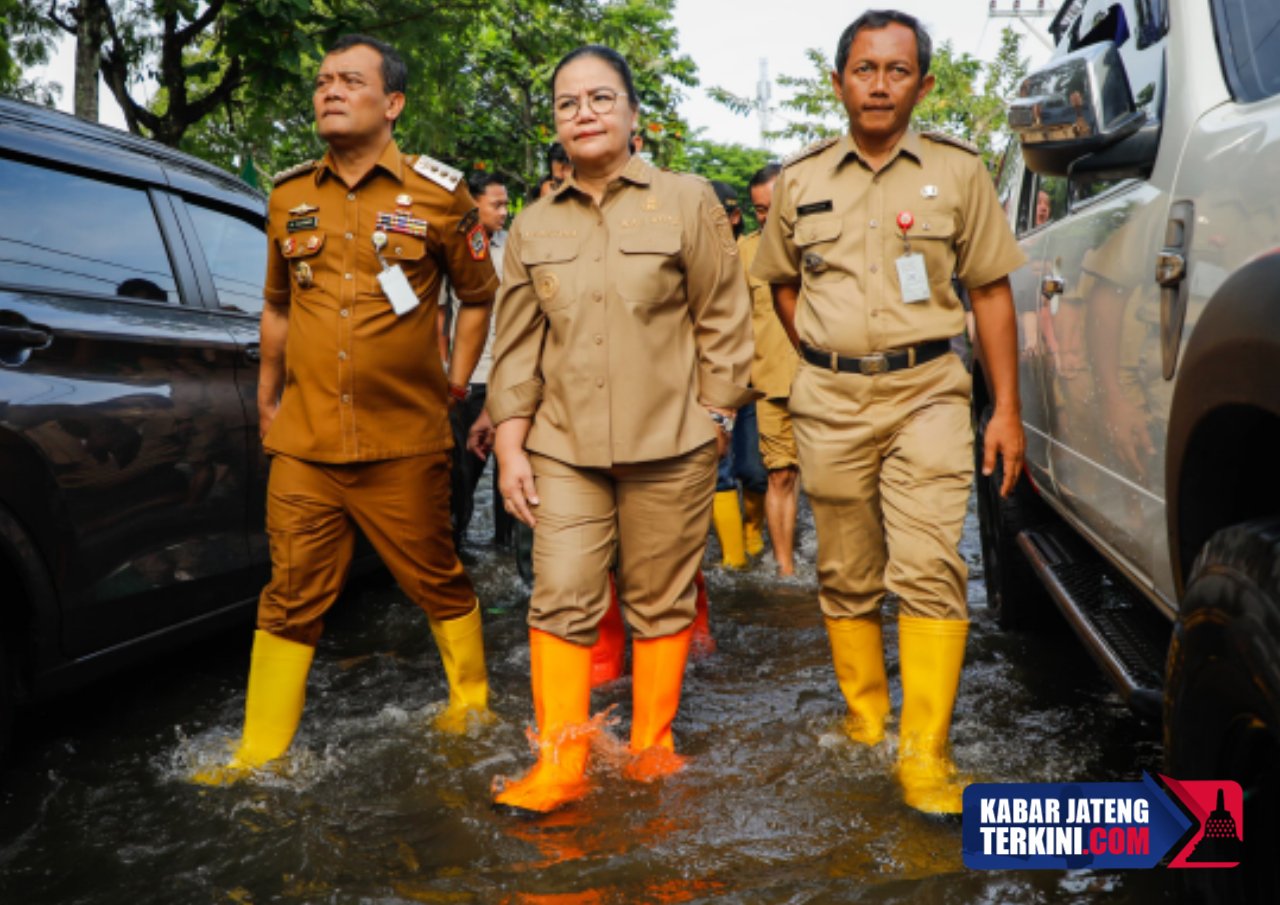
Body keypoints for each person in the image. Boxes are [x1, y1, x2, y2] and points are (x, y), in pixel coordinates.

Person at [194, 34, 499, 784]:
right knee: (290, 592)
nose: (329, 90)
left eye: (350, 80)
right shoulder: (288, 194)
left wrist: (456, 379)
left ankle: (471, 704)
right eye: (323, 81)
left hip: (406, 436)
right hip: (305, 440)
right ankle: (257, 754)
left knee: (436, 576)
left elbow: (480, 294)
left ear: (391, 103)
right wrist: (268, 396)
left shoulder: (439, 194)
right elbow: (274, 305)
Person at [751, 9, 1026, 815]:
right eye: (864, 69)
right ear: (838, 82)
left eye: (897, 70)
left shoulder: (959, 172)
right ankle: (867, 721)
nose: (879, 84)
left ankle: (924, 754)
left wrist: (1005, 408)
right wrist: (828, 359)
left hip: (930, 391)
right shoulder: (799, 179)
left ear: (923, 84)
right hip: (828, 397)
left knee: (931, 564)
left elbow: (990, 293)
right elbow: (783, 284)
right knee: (845, 571)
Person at [486, 44, 755, 814]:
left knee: (661, 599)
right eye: (569, 103)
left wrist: (714, 415)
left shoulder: (686, 199)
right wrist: (510, 441)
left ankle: (651, 746)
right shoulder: (533, 226)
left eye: (601, 98)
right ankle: (560, 764)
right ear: (556, 125)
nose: (585, 114)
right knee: (560, 591)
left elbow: (724, 318)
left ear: (635, 115)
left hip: (672, 440)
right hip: (562, 446)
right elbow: (516, 347)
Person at [439, 171, 512, 552]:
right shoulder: (453, 245)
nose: (504, 211)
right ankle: (455, 547)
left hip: (511, 376)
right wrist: (450, 377)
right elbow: (439, 318)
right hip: (470, 379)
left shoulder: (513, 247)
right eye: (496, 204)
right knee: (462, 476)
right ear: (474, 204)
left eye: (506, 204)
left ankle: (506, 546)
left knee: (511, 469)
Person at [740, 163, 802, 576]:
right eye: (759, 210)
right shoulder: (745, 253)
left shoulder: (827, 242)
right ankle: (786, 570)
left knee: (844, 481)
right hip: (771, 383)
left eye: (773, 206)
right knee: (779, 475)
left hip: (832, 382)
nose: (766, 217)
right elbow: (730, 323)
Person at [708, 180, 769, 569]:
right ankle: (733, 558)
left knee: (755, 469)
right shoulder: (692, 257)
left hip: (754, 377)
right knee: (720, 469)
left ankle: (754, 533)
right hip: (713, 379)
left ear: (734, 217)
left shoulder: (751, 253)